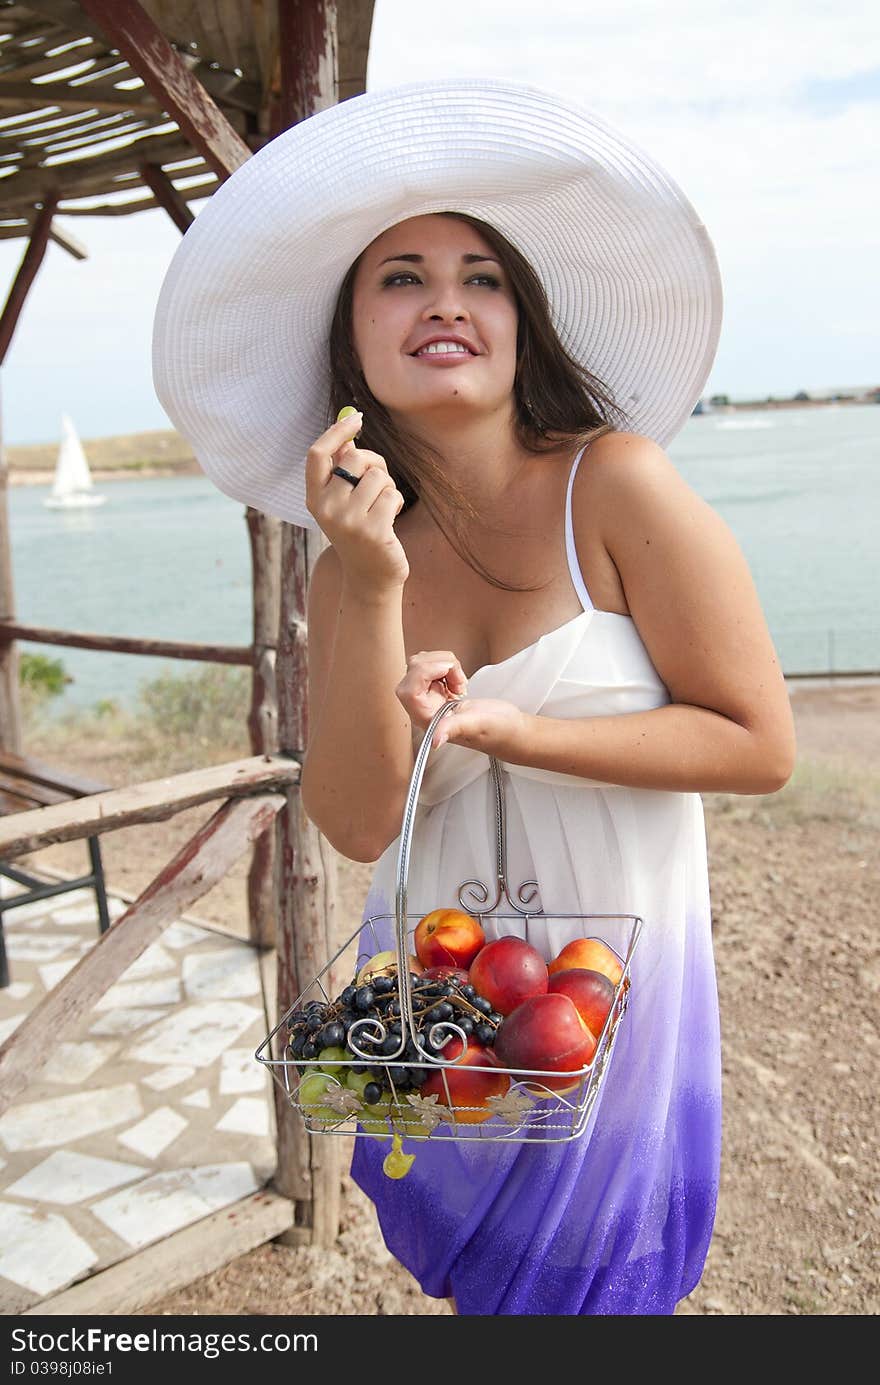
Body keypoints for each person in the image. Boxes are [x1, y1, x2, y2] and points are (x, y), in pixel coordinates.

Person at [153, 79, 796, 1316]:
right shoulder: (349, 562)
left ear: (521, 323)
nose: (445, 298)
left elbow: (758, 741)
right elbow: (351, 818)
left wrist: (515, 727)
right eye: (401, 275)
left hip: (619, 998)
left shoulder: (614, 484)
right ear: (351, 343)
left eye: (481, 276)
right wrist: (380, 579)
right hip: (444, 1008)